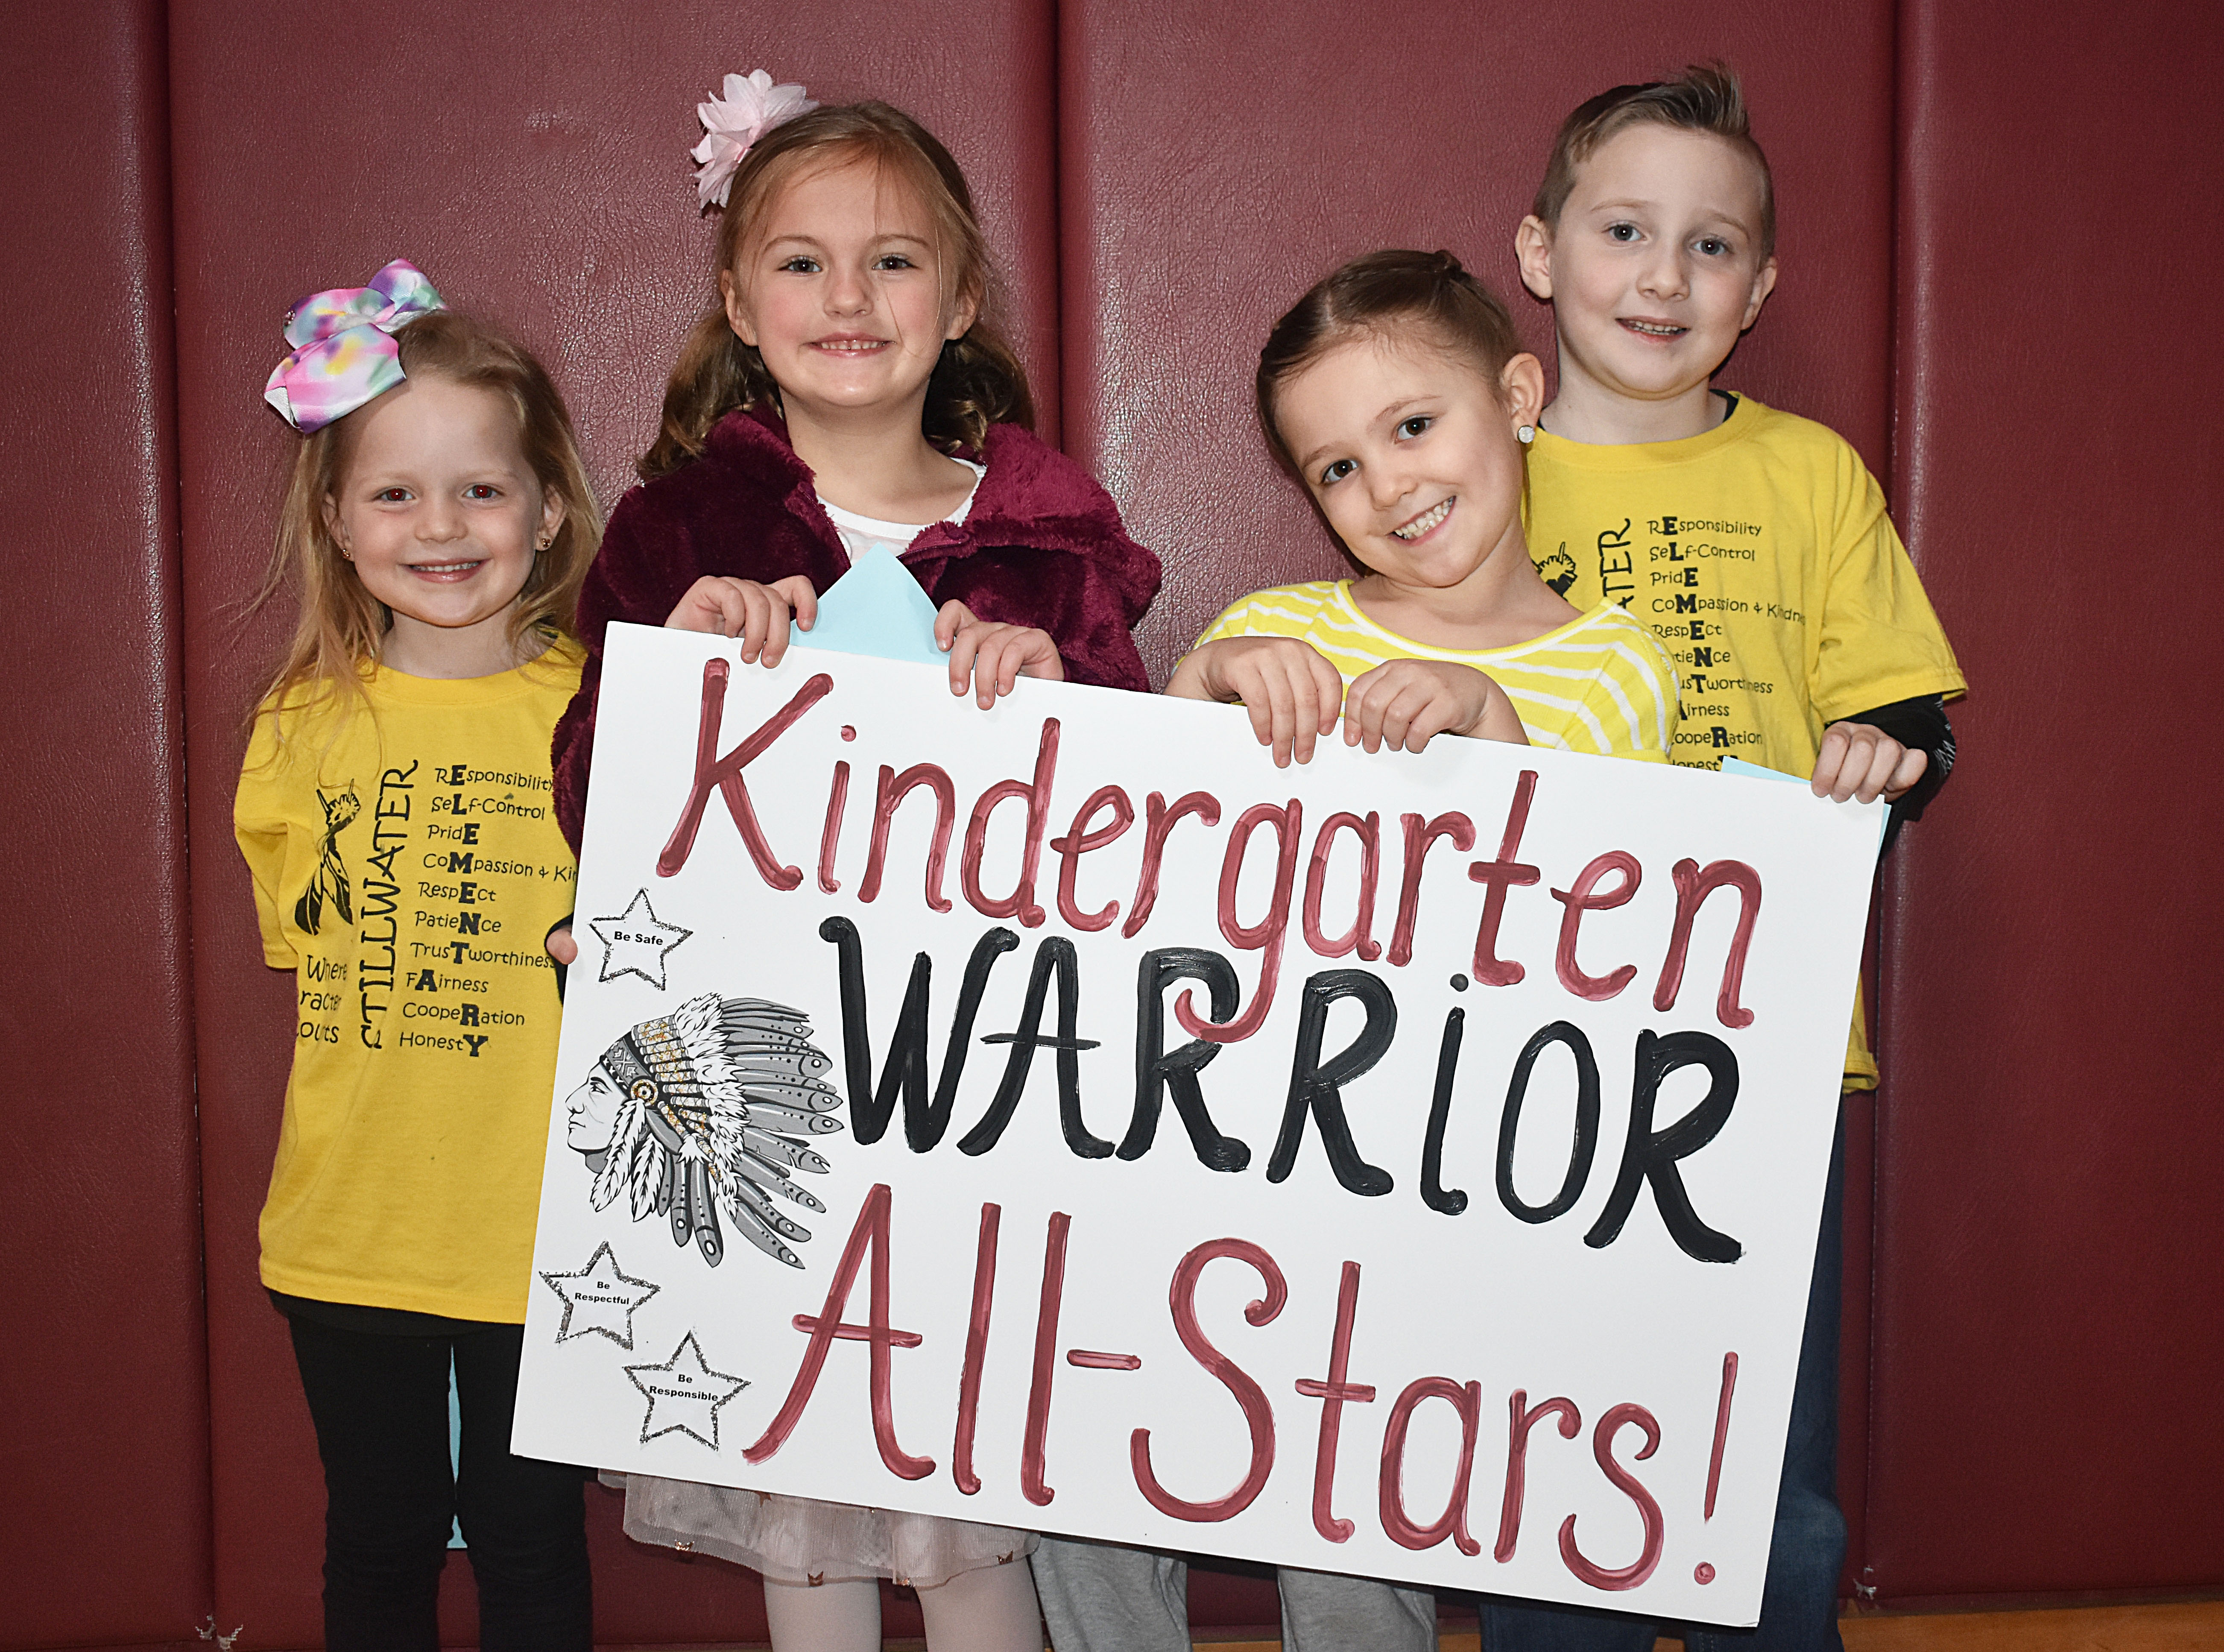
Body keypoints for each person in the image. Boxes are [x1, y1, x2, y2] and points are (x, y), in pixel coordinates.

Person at [547, 83, 1160, 1652]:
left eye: (893, 263)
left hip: (978, 1110)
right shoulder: (683, 529)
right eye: (803, 264)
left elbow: (1145, 835)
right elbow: (595, 803)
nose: (848, 298)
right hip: (779, 1107)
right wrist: (667, 667)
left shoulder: (1046, 537)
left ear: (958, 302)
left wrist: (1063, 692)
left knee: (972, 1532)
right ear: (742, 304)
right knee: (807, 1534)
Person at [1029, 250, 1677, 1652]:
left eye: (1412, 428)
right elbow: (1140, 839)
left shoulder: (1617, 661)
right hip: (1214, 1151)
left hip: (1430, 1206)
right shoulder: (1280, 627)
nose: (1386, 488)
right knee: (1084, 1451)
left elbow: (1618, 929)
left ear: (1517, 395)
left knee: (1355, 1507)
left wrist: (1495, 727)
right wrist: (1205, 681)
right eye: (1335, 468)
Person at [1490, 65, 1966, 1652]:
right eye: (1626, 229)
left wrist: (1891, 751)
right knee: (1550, 1438)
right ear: (1543, 253)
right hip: (1528, 1039)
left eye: (1710, 248)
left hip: (1763, 1044)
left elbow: (1903, 709)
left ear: (1757, 291)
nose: (1663, 275)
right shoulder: (1480, 468)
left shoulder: (1811, 473)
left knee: (1768, 1453)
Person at [234, 262, 602, 1651]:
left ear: (547, 507)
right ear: (336, 518)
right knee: (379, 1539)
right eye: (395, 493)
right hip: (351, 1228)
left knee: (528, 1543)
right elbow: (303, 939)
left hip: (548, 1235)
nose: (440, 526)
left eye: (481, 490)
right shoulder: (301, 724)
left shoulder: (602, 712)